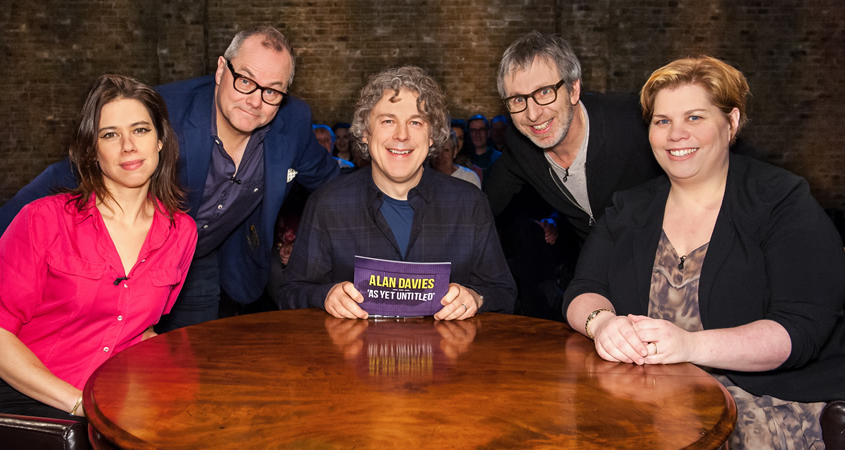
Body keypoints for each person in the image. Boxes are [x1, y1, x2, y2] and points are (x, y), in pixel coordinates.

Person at [0, 26, 339, 332]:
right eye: (246, 81)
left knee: (190, 361)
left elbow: (329, 180)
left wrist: (394, 182)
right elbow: (64, 174)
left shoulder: (293, 120)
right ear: (222, 69)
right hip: (135, 259)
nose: (255, 100)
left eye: (273, 91)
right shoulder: (164, 110)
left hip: (205, 257)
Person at [563, 56, 845, 447]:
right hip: (647, 395)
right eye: (663, 121)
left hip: (762, 401)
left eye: (694, 117)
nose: (676, 133)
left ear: (731, 123)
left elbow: (801, 328)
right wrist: (602, 323)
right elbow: (583, 289)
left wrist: (690, 345)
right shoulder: (629, 207)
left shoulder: (781, 199)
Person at [0, 74, 198, 420]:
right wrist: (80, 404)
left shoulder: (181, 232)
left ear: (161, 140)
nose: (128, 146)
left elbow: (139, 329)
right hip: (18, 391)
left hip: (109, 390)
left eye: (141, 130)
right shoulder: (43, 219)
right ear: (91, 150)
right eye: (110, 135)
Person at [278, 66, 516, 320]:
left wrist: (477, 298)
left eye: (415, 122)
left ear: (432, 136)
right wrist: (324, 296)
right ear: (366, 134)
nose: (402, 135)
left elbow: (503, 293)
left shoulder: (470, 204)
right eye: (388, 121)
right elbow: (291, 293)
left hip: (447, 358)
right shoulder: (327, 204)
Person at [486, 32, 663, 242]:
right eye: (517, 99)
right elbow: (481, 207)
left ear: (573, 90)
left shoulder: (633, 120)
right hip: (595, 263)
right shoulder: (520, 145)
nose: (532, 114)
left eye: (544, 92)